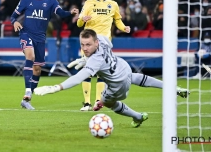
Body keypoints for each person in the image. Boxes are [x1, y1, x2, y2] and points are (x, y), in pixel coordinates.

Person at [34, 29, 189, 127]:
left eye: (88, 45)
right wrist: (86, 59)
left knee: (108, 102)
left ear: (95, 42)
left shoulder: (95, 61)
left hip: (117, 84)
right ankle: (173, 88)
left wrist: (56, 87)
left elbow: (79, 77)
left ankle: (138, 117)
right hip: (123, 67)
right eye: (82, 45)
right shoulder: (101, 38)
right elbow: (106, 51)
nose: (85, 48)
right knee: (139, 78)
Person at [11, 0, 79, 110]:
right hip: (26, 34)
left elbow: (60, 13)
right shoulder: (26, 1)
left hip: (41, 38)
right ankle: (28, 91)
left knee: (37, 69)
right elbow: (13, 16)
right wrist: (16, 22)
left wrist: (70, 13)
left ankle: (27, 100)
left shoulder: (51, 2)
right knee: (30, 56)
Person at [72, 0, 131, 111]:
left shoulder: (113, 4)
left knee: (102, 73)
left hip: (104, 43)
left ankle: (98, 100)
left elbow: (118, 21)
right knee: (87, 71)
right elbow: (79, 22)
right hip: (89, 42)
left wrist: (124, 28)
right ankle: (86, 103)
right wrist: (83, 19)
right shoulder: (88, 3)